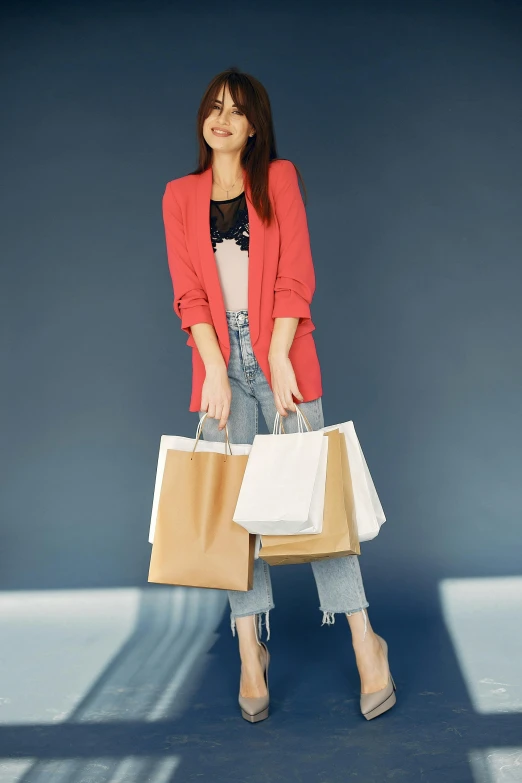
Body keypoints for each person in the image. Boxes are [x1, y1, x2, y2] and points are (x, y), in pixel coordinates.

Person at [161, 67, 396, 723]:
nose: (223, 118)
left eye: (237, 110)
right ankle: (248, 654)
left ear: (254, 125)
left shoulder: (278, 179)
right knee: (234, 517)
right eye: (214, 107)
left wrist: (279, 351)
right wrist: (213, 366)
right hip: (219, 361)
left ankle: (365, 644)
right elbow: (190, 292)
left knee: (315, 504)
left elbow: (296, 273)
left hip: (281, 353)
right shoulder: (180, 196)